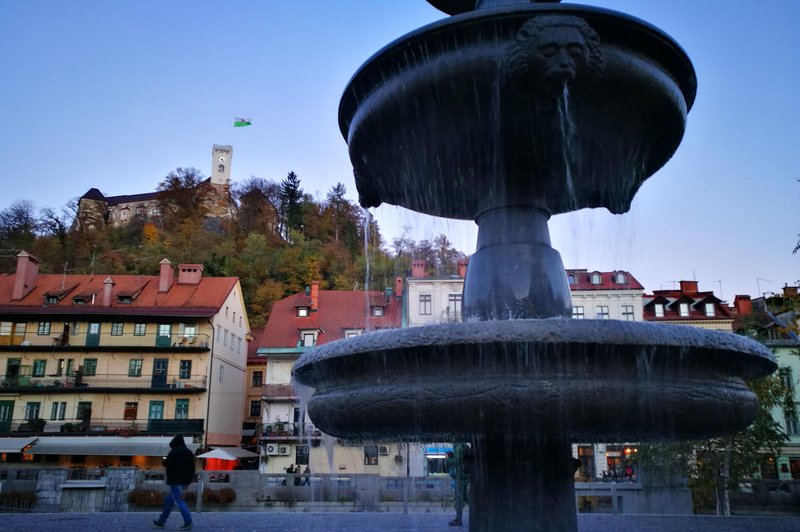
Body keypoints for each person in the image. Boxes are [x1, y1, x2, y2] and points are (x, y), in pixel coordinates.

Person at [153, 434, 195, 530]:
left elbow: (168, 464)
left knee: (179, 501)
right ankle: (161, 522)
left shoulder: (173, 452)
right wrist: (188, 481)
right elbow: (192, 468)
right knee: (169, 501)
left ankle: (188, 522)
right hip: (184, 481)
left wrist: (163, 460)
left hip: (175, 481)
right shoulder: (189, 452)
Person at [446, 443, 472, 527]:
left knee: (459, 498)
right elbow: (460, 459)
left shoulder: (458, 447)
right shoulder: (464, 446)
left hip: (460, 476)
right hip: (466, 475)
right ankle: (480, 511)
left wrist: (449, 458)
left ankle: (458, 519)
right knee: (465, 497)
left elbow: (456, 462)